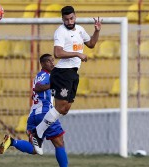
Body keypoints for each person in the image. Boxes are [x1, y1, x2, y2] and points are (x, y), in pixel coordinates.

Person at [31, 6, 102, 154]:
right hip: (63, 72)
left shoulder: (80, 30)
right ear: (62, 19)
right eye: (66, 19)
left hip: (73, 73)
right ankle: (37, 133)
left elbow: (91, 44)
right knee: (60, 106)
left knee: (65, 109)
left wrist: (97, 31)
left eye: (71, 18)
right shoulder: (60, 32)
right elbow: (57, 53)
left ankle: (38, 131)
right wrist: (78, 54)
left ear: (75, 16)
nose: (69, 22)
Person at [0, 53, 79, 167]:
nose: (52, 63)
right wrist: (54, 84)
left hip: (33, 115)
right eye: (49, 61)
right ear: (42, 64)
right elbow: (38, 87)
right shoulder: (43, 75)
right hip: (45, 113)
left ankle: (12, 141)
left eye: (53, 61)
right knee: (59, 143)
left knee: (35, 148)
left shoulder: (49, 76)